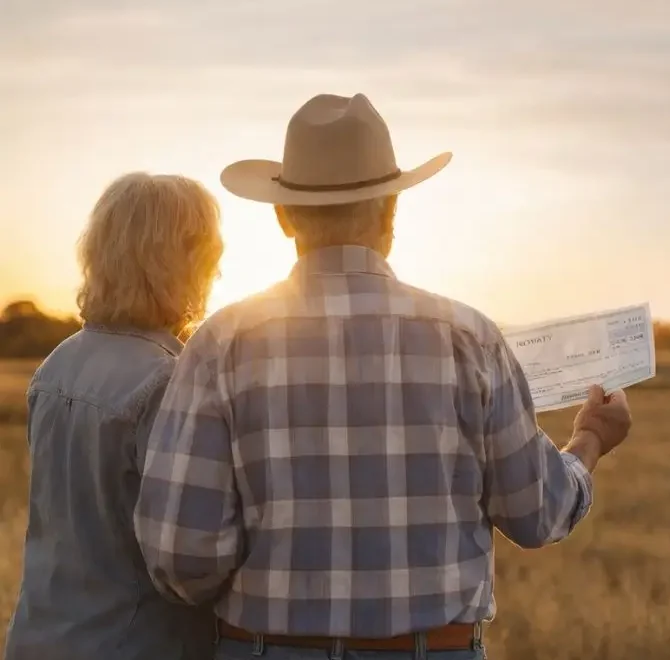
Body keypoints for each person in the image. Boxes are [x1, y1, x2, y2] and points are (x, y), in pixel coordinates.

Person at [133, 93, 633, 660]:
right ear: (391, 210)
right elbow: (537, 513)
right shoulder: (470, 338)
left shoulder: (220, 343)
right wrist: (589, 440)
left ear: (283, 216)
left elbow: (181, 555)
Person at [4, 173, 225, 660]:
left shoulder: (56, 364)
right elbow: (189, 560)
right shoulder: (168, 381)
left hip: (38, 640)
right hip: (133, 644)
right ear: (184, 261)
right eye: (209, 254)